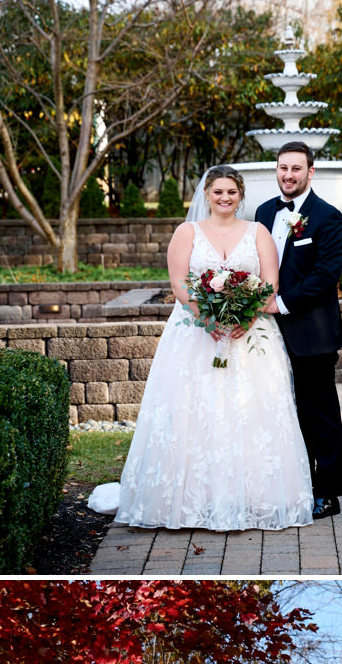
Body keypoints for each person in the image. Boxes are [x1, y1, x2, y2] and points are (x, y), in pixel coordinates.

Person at [88, 165, 313, 532]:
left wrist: (248, 317)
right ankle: (191, 498)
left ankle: (256, 497)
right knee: (192, 410)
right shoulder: (187, 232)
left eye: (232, 192)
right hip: (195, 333)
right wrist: (206, 318)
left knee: (250, 412)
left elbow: (270, 283)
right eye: (218, 191)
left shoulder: (257, 232)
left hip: (248, 336)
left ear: (241, 195)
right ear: (206, 194)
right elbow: (179, 283)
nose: (225, 198)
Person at [253, 142, 342, 519]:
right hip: (265, 332)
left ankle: (326, 493)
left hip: (311, 333)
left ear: (311, 172)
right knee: (278, 412)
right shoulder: (263, 211)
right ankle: (291, 486)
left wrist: (281, 302)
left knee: (318, 413)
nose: (288, 175)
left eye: (296, 168)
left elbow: (325, 276)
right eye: (282, 168)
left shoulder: (328, 216)